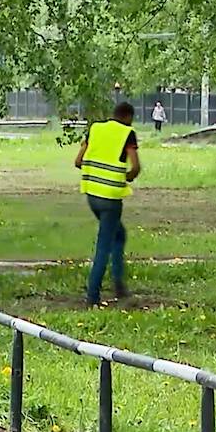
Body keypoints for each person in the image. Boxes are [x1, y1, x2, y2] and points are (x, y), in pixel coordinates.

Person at [74, 102, 141, 306]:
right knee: (104, 245)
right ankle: (92, 296)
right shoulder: (127, 133)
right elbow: (136, 166)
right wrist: (127, 176)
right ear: (128, 117)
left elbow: (78, 161)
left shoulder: (95, 129)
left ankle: (119, 284)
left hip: (92, 195)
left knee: (118, 235)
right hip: (111, 198)